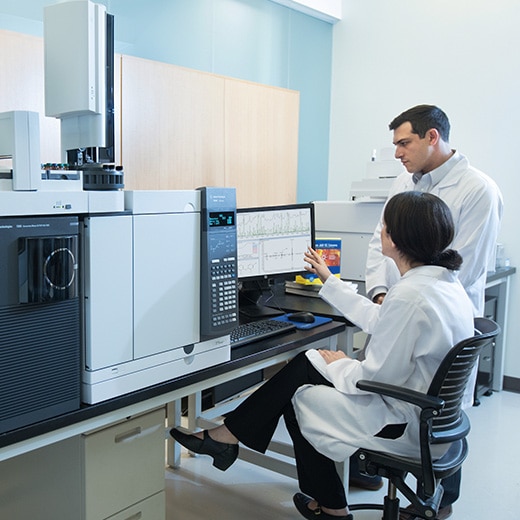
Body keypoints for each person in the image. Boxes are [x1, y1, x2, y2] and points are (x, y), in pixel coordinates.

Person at [170, 191, 475, 520]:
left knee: (300, 392)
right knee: (306, 365)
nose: (380, 230)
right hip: (431, 418)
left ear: (397, 237)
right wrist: (330, 281)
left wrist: (341, 364)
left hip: (400, 420)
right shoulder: (442, 284)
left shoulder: (411, 295)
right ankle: (234, 441)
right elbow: (380, 321)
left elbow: (376, 377)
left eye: (384, 225)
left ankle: (322, 501)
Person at [363, 104, 503, 519]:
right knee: (390, 393)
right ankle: (374, 469)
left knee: (440, 408)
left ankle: (438, 502)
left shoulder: (478, 190)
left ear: (432, 138)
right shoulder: (404, 182)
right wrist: (380, 293)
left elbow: (466, 266)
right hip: (398, 304)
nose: (397, 154)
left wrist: (409, 300)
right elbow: (379, 241)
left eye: (404, 143)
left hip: (441, 315)